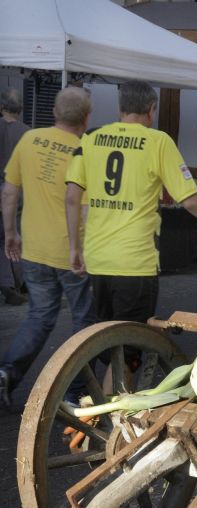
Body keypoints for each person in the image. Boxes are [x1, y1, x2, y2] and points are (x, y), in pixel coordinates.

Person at [65, 80, 197, 332]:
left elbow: (72, 198)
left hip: (97, 260)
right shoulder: (158, 142)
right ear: (151, 109)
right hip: (135, 262)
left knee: (102, 337)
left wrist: (75, 247)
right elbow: (190, 200)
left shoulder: (91, 138)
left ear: (120, 108)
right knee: (130, 342)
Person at [0, 87, 95, 411]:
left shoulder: (29, 139)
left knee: (39, 317)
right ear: (86, 118)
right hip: (72, 253)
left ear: (54, 112)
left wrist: (10, 233)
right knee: (84, 320)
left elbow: (9, 192)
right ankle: (74, 391)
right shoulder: (85, 149)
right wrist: (81, 247)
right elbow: (83, 207)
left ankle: (7, 372)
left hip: (34, 250)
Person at [0, 88, 29, 305]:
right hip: (17, 190)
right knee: (15, 235)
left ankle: (7, 282)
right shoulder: (27, 133)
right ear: (20, 108)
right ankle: (19, 282)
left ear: (2, 107)